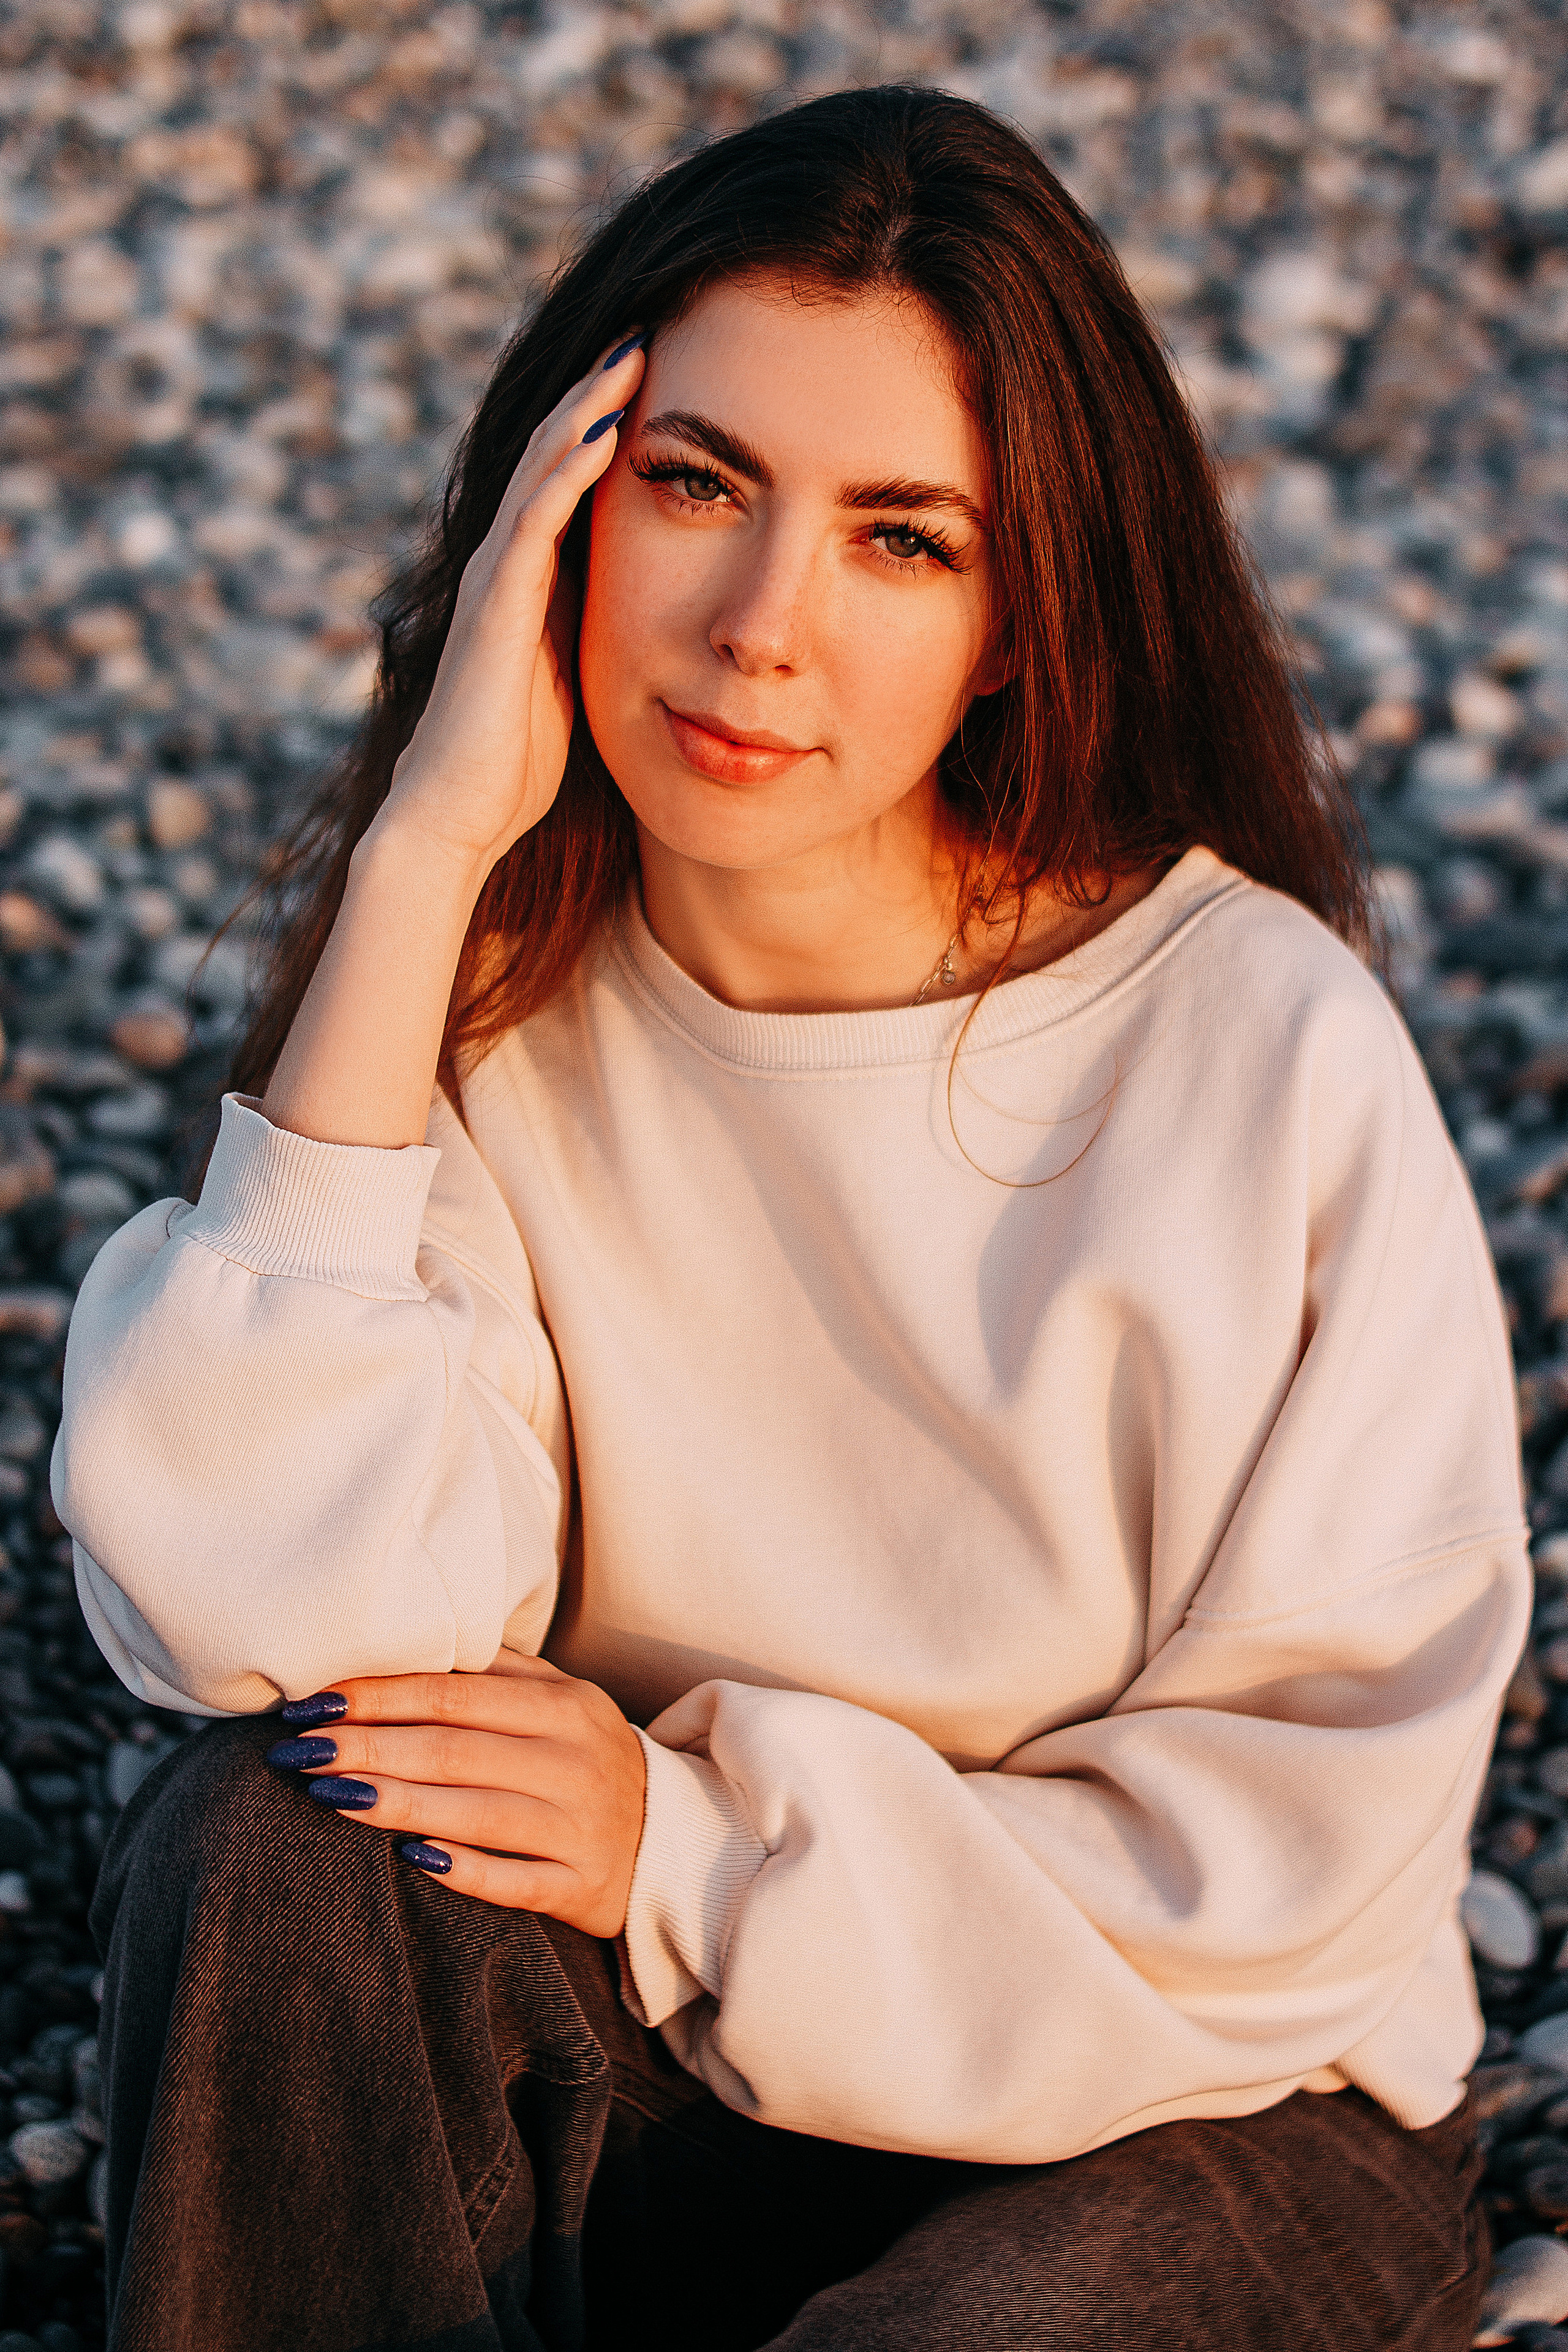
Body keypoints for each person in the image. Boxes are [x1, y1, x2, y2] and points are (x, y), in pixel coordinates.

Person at [53, 84, 1526, 2352]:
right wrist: (424, 854)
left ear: (1020, 616)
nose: (761, 628)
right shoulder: (497, 1006)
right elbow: (262, 1624)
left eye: (902, 540)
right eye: (698, 485)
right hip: (682, 2054)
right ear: (560, 513)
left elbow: (1302, 1871)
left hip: (1194, 2099)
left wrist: (701, 1847)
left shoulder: (1253, 1045)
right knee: (276, 1844)